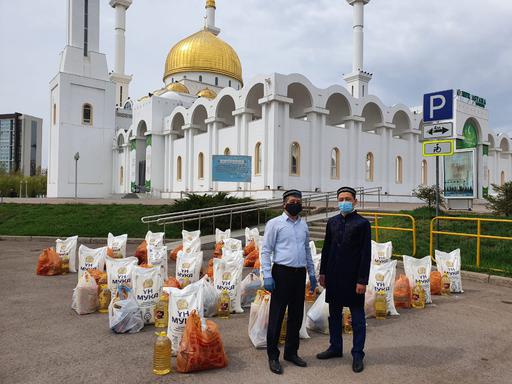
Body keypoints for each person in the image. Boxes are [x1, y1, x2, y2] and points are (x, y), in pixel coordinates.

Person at [260, 189, 317, 375]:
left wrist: (312, 273)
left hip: (299, 274)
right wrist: (267, 275)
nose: (296, 204)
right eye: (293, 201)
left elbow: (307, 251)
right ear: (284, 203)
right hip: (281, 273)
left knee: (296, 314)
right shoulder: (275, 224)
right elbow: (266, 251)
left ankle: (291, 353)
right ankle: (273, 356)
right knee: (277, 315)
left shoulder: (303, 225)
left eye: (299, 201)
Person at [316, 186, 371, 373]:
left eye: (347, 198)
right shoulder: (332, 222)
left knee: (357, 320)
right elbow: (326, 249)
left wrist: (362, 280)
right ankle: (335, 347)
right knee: (334, 316)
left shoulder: (363, 224)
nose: (344, 202)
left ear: (355, 201)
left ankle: (357, 354)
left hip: (354, 279)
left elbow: (365, 254)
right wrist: (323, 273)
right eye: (340, 199)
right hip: (334, 277)